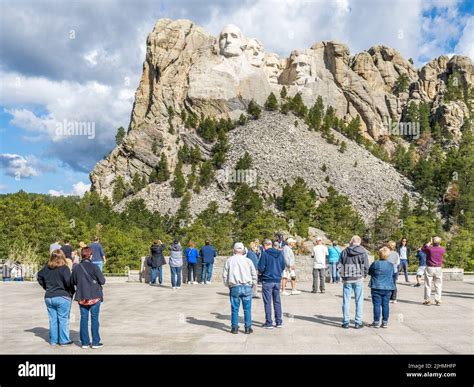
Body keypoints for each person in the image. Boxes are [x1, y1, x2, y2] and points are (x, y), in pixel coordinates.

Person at [37, 249, 75, 346]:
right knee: (63, 319)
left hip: (49, 296)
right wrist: (71, 291)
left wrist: (46, 287)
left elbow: (39, 276)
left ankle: (53, 340)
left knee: (53, 319)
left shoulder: (46, 268)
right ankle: (63, 340)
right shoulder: (64, 268)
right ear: (62, 257)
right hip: (62, 296)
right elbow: (68, 282)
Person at [71, 246, 106, 349]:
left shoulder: (76, 267)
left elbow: (72, 281)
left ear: (82, 256)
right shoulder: (95, 267)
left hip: (82, 297)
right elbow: (103, 281)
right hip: (94, 296)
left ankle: (85, 342)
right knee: (94, 319)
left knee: (84, 319)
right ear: (90, 256)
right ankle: (95, 342)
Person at [223, 242, 258, 334]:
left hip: (234, 286)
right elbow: (254, 274)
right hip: (247, 286)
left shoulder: (229, 260)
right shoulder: (248, 261)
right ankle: (247, 328)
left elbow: (225, 275)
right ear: (243, 250)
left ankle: (234, 328)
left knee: (234, 308)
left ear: (234, 250)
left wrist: (228, 285)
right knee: (247, 309)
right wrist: (252, 284)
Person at [339, 235, 369, 329]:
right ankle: (358, 322)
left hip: (347, 279)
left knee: (346, 301)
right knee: (359, 301)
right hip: (358, 278)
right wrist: (363, 275)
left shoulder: (344, 251)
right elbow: (366, 266)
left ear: (351, 241)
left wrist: (342, 276)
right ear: (359, 242)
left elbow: (339, 265)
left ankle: (345, 322)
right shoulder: (363, 252)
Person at [257, 238, 286, 329]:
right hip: (277, 280)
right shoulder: (280, 254)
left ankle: (269, 322)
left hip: (267, 280)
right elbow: (283, 266)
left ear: (265, 245)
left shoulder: (265, 254)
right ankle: (279, 322)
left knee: (267, 302)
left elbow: (261, 268)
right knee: (277, 301)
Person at [368, 246, 395, 328]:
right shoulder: (390, 265)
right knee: (385, 305)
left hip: (376, 286)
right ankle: (385, 322)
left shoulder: (375, 263)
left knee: (376, 305)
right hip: (387, 287)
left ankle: (376, 322)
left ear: (379, 254)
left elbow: (370, 272)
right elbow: (392, 274)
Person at [422, 237, 446, 306]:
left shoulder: (429, 249)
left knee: (428, 284)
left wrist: (429, 242)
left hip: (430, 267)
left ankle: (428, 300)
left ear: (433, 242)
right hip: (438, 268)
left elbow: (423, 248)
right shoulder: (442, 249)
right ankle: (438, 300)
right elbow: (440, 248)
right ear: (440, 242)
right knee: (438, 284)